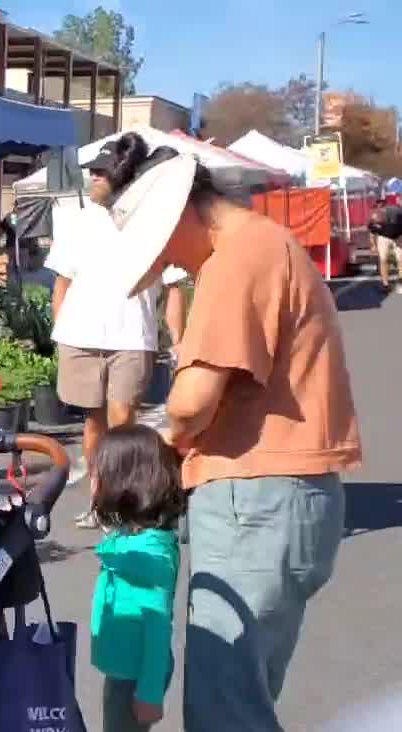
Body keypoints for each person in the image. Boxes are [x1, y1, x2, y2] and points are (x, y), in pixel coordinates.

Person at [93, 132, 362, 732]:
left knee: (225, 707)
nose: (166, 264)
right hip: (281, 498)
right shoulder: (265, 245)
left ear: (181, 215)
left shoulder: (235, 258)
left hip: (255, 499)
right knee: (242, 694)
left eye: (161, 249)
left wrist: (151, 451)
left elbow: (191, 403)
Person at [48, 136, 188, 529]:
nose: (92, 177)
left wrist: (177, 340)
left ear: (122, 177)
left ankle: (124, 497)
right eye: (91, 170)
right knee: (93, 424)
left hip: (131, 338)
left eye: (100, 172)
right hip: (81, 337)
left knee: (123, 421)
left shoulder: (152, 223)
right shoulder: (80, 222)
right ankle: (99, 499)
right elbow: (62, 282)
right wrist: (61, 330)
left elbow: (174, 286)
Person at [89, 424, 185, 732]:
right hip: (123, 668)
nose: (93, 482)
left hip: (135, 677)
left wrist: (150, 694)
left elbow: (157, 628)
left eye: (98, 474)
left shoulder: (148, 558)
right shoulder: (136, 535)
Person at [366, 204, 402, 293]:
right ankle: (385, 284)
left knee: (400, 259)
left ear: (384, 218)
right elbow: (372, 233)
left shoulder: (397, 214)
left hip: (399, 235)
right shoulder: (373, 222)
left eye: (380, 223)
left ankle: (401, 281)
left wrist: (399, 238)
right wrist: (373, 245)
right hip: (384, 236)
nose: (378, 225)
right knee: (383, 259)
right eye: (377, 224)